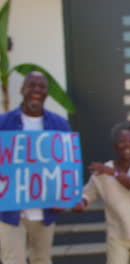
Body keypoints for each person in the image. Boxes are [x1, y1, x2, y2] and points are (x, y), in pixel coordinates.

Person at [0, 71, 71, 264]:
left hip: (45, 210)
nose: (36, 90)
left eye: (41, 87)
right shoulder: (3, 123)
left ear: (47, 92)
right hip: (10, 210)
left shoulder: (59, 124)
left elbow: (67, 165)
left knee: (42, 259)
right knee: (12, 260)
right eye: (32, 85)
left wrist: (66, 197)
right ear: (23, 90)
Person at [72, 122, 130, 264]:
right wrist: (80, 203)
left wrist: (113, 173)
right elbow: (87, 195)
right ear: (114, 145)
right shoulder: (103, 172)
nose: (127, 145)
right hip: (117, 236)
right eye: (122, 141)